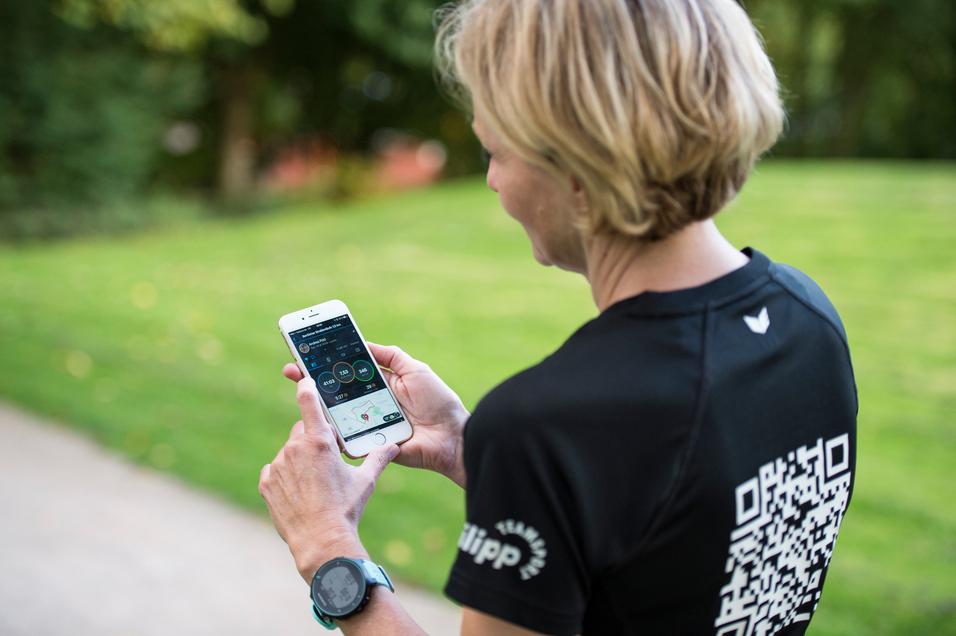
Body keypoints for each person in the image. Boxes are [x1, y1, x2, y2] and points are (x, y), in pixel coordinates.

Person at [257, 0, 858, 634]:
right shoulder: (807, 318)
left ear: (575, 167)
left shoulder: (553, 422)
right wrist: (472, 447)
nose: (491, 181)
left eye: (495, 151)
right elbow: (676, 535)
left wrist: (329, 551)